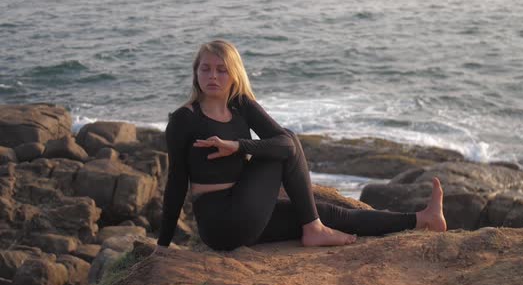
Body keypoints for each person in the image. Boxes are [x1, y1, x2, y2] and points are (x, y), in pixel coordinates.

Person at [154, 40, 446, 253]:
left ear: (234, 75)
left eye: (221, 70)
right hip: (220, 222)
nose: (213, 77)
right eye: (205, 69)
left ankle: (422, 219)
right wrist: (163, 246)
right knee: (288, 142)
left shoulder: (241, 105)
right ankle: (314, 228)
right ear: (196, 73)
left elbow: (281, 141)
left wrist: (238, 146)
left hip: (250, 208)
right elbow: (176, 182)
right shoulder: (184, 120)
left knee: (329, 213)